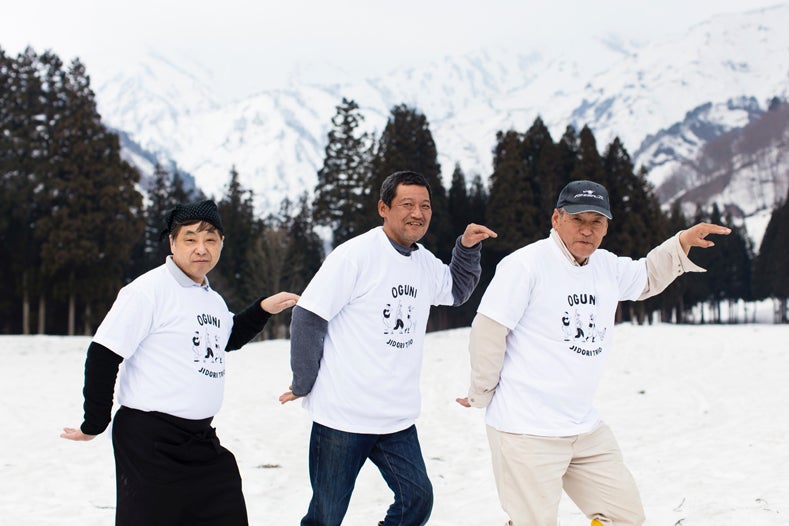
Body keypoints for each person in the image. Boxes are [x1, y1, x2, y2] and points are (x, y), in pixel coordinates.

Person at [457, 180, 731, 526]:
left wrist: (681, 243)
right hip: (526, 428)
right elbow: (489, 330)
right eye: (577, 219)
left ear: (605, 227)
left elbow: (647, 276)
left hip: (583, 427)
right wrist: (481, 392)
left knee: (624, 516)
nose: (587, 230)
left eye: (596, 222)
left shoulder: (606, 266)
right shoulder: (525, 265)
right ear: (556, 218)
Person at [61, 199, 299, 526]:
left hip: (199, 438)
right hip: (149, 440)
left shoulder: (211, 299)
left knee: (225, 506)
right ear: (172, 243)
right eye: (190, 239)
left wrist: (263, 309)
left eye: (210, 239)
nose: (201, 248)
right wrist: (95, 421)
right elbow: (104, 354)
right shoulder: (147, 291)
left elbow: (227, 338)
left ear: (221, 244)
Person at [279, 170, 497, 526]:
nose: (418, 213)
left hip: (396, 417)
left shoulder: (424, 262)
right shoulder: (355, 256)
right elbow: (309, 315)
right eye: (407, 204)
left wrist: (467, 249)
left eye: (425, 206)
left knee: (417, 501)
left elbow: (456, 291)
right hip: (343, 416)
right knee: (326, 516)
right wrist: (303, 381)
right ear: (384, 208)